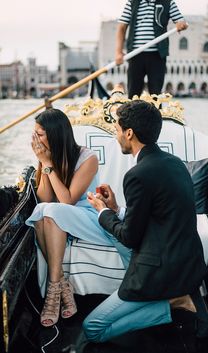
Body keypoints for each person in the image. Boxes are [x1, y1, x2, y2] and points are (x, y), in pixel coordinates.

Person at [80, 100, 207, 344]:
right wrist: (115, 208)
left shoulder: (137, 175)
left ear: (129, 133)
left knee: (92, 328)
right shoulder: (175, 164)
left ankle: (176, 304)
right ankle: (175, 297)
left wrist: (101, 211)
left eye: (117, 130)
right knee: (109, 229)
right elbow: (160, 215)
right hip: (186, 263)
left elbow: (130, 237)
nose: (116, 136)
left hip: (159, 271)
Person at [25, 108, 118, 327]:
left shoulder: (88, 158)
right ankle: (62, 287)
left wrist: (48, 165)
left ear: (55, 134)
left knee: (52, 211)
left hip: (90, 215)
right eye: (34, 133)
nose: (35, 139)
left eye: (39, 134)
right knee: (42, 214)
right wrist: (45, 163)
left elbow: (67, 201)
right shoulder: (47, 157)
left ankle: (52, 288)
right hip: (59, 216)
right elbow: (44, 199)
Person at [115, 0, 188, 98]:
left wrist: (181, 24)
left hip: (157, 55)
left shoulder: (167, 2)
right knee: (133, 93)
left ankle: (156, 112)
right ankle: (132, 113)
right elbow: (122, 27)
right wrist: (118, 52)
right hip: (135, 55)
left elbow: (181, 22)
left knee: (156, 95)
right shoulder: (132, 3)